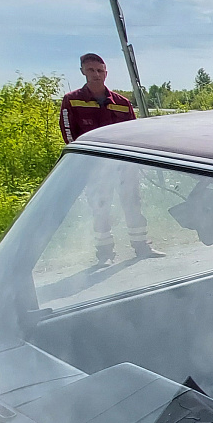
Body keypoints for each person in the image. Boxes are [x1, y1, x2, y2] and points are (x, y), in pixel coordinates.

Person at [59, 53, 162, 265]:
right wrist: (81, 161)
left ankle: (141, 246)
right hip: (93, 166)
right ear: (83, 71)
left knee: (133, 204)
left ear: (106, 72)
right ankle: (105, 253)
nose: (96, 75)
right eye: (91, 70)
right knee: (100, 207)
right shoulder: (73, 101)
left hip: (123, 165)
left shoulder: (122, 103)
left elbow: (133, 133)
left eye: (100, 70)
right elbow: (69, 133)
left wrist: (135, 161)